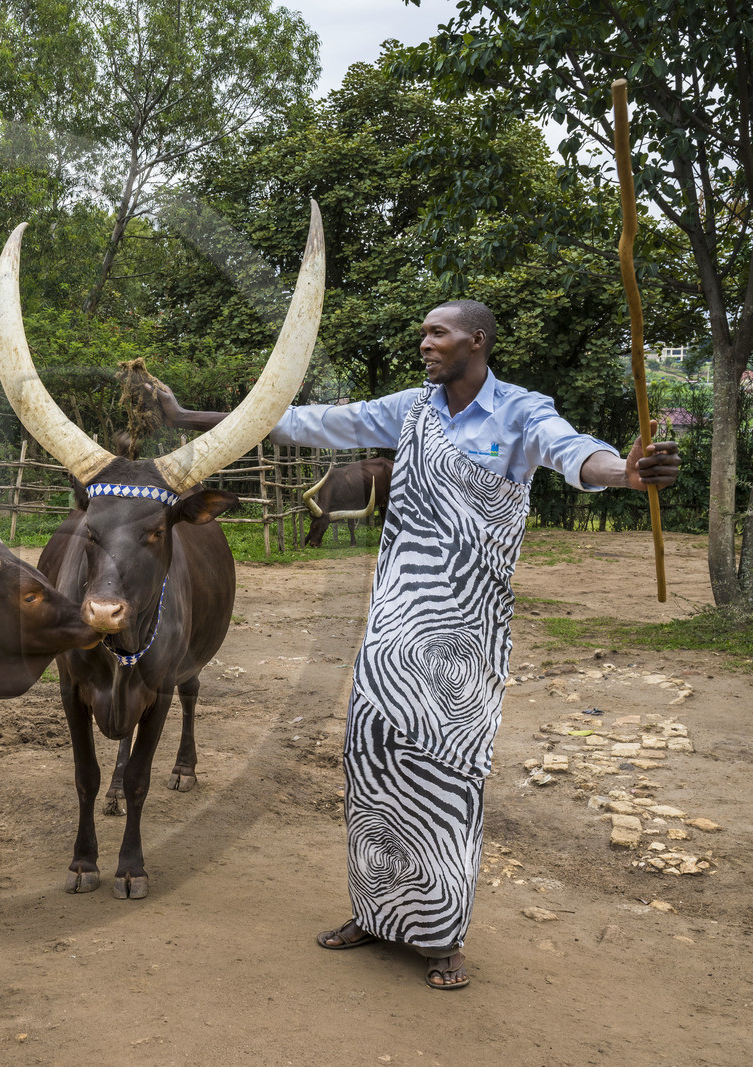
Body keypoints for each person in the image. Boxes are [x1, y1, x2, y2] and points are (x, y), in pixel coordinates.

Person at [143, 300, 680, 990]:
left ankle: (441, 935)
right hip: (393, 627)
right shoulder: (412, 409)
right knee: (371, 761)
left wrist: (623, 473)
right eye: (423, 330)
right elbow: (306, 423)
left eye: (438, 332)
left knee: (447, 779)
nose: (424, 342)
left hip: (463, 634)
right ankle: (376, 911)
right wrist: (190, 419)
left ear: (476, 340)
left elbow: (573, 450)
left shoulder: (520, 411)